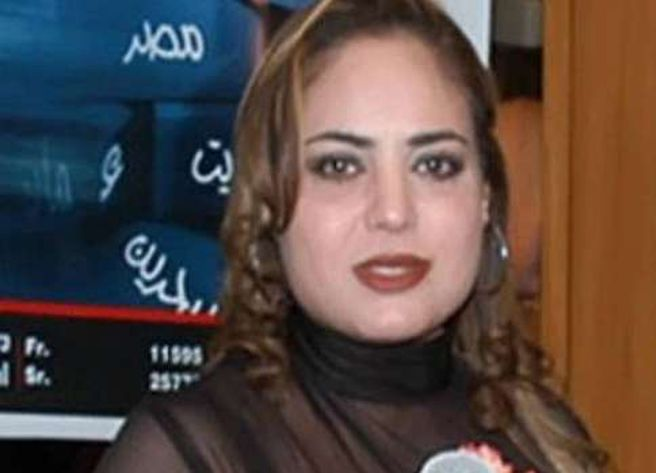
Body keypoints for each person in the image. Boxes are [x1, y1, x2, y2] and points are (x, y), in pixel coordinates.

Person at [95, 1, 608, 472]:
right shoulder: (187, 454)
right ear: (269, 203)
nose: (393, 212)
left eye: (434, 165)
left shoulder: (545, 435)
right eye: (339, 166)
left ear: (486, 199)